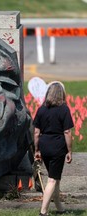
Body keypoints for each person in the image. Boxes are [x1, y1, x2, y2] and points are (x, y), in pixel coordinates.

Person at [33, 81, 74, 216]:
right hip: (58, 146)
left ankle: (59, 208)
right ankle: (43, 212)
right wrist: (69, 151)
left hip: (44, 146)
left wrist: (37, 150)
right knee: (52, 179)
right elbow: (67, 132)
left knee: (55, 177)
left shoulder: (41, 109)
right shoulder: (64, 109)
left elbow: (36, 132)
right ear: (61, 94)